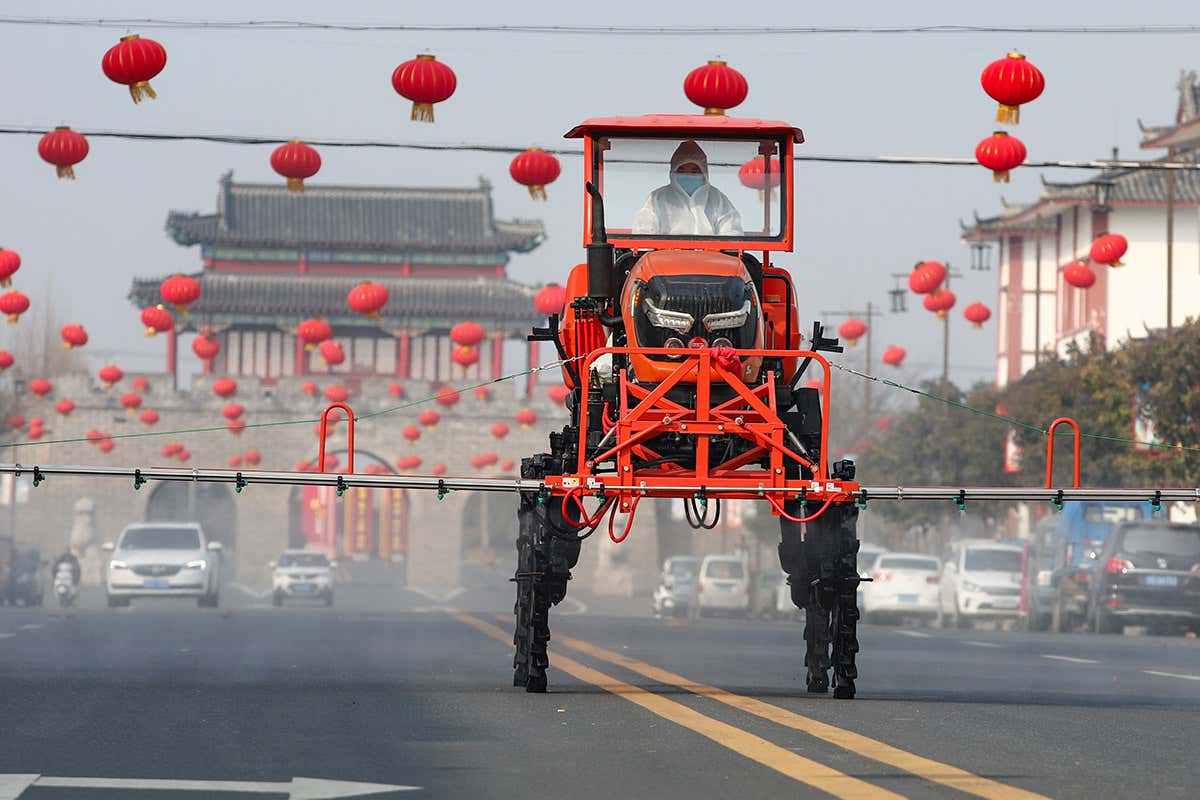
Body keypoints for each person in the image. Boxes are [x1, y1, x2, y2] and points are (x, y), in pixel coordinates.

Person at [632, 140, 744, 236]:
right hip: (665, 260)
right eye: (682, 171)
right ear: (673, 172)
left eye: (695, 171)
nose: (688, 175)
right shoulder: (656, 199)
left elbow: (731, 232)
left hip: (710, 259)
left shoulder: (717, 199)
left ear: (704, 173)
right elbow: (644, 234)